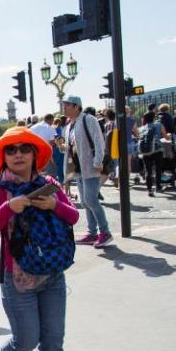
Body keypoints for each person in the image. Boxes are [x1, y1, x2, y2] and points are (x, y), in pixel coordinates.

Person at [0, 126, 80, 351]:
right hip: (18, 279)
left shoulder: (50, 185)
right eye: (11, 150)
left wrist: (55, 204)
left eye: (25, 149)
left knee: (53, 339)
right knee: (26, 339)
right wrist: (9, 208)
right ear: (3, 158)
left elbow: (73, 216)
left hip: (53, 274)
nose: (19, 154)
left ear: (35, 155)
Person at [63, 95, 112, 248]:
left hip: (90, 167)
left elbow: (98, 140)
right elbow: (72, 147)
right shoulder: (70, 125)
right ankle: (92, 233)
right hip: (78, 169)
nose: (64, 108)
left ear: (76, 106)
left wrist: (98, 161)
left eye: (67, 105)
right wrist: (61, 147)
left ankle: (105, 232)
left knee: (91, 200)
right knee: (85, 202)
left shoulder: (88, 119)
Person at [139, 111, 169, 196]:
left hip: (146, 151)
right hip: (157, 150)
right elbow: (166, 136)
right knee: (158, 169)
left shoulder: (142, 128)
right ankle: (158, 187)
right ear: (154, 118)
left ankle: (149, 190)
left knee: (148, 171)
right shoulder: (159, 125)